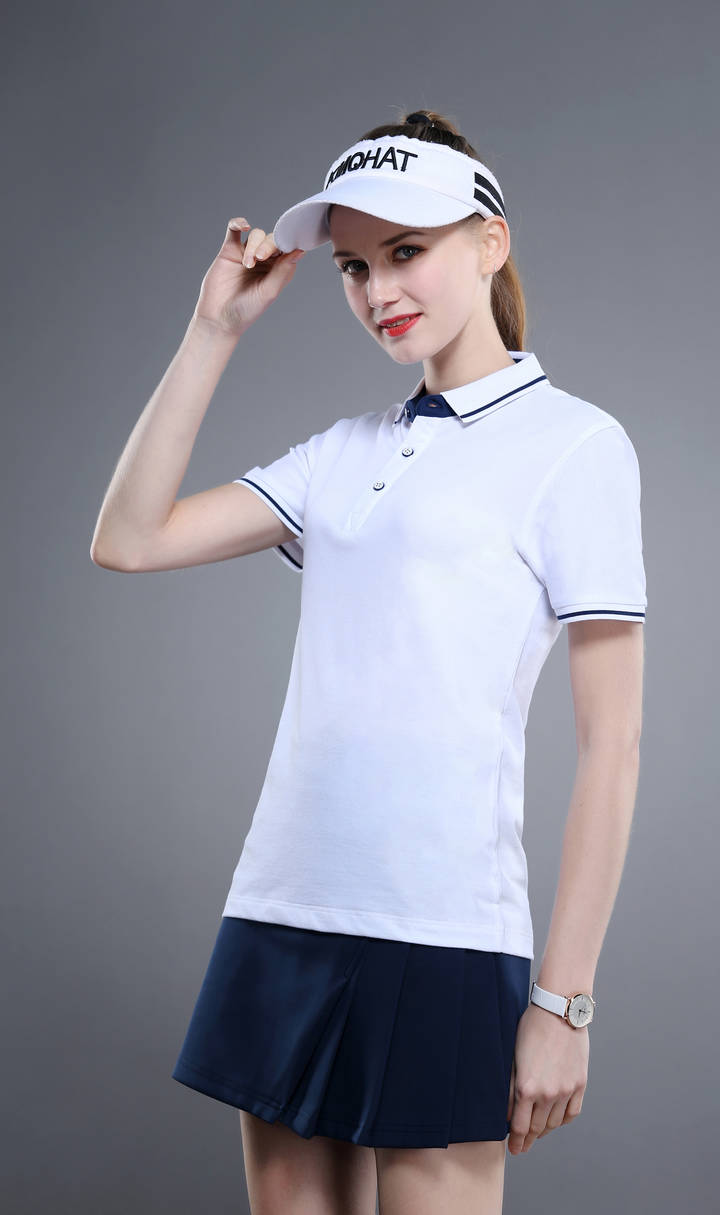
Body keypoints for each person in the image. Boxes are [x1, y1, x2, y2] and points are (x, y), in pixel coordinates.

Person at [90, 109, 647, 1215]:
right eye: (352, 265)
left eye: (405, 251)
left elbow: (613, 744)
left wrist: (564, 1002)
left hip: (444, 932)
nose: (377, 289)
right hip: (284, 910)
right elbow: (129, 537)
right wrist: (212, 330)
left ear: (488, 243)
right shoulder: (341, 453)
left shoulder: (576, 446)